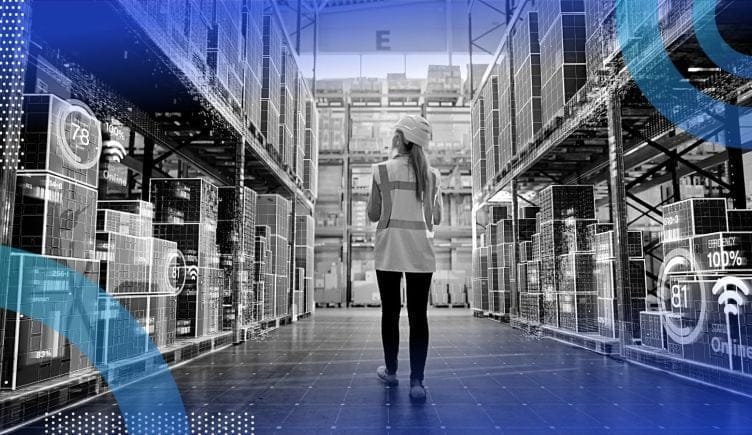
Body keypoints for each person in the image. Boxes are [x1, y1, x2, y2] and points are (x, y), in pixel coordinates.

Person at [366, 115, 442, 402]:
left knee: (390, 313)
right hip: (420, 253)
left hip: (388, 252)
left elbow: (374, 214)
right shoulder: (432, 176)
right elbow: (436, 218)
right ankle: (417, 383)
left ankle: (392, 370)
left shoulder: (380, 171)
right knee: (418, 317)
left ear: (401, 139)